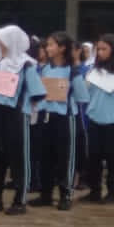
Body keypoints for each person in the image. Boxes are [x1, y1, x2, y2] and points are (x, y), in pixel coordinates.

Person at [0, 26, 44, 215]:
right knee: (0, 156)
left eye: (3, 41)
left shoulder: (27, 65)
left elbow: (38, 92)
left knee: (19, 158)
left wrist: (30, 111)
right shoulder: (0, 64)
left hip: (17, 114)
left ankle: (20, 200)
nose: (0, 45)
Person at [77, 34, 114, 204]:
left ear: (113, 50)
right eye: (98, 49)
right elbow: (85, 91)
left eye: (104, 49)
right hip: (94, 118)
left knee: (113, 159)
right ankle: (95, 190)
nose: (100, 52)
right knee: (93, 157)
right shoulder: (93, 70)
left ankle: (113, 192)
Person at [31, 32, 78, 210]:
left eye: (51, 45)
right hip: (45, 115)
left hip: (64, 117)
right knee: (45, 157)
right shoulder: (45, 69)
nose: (47, 48)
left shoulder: (71, 71)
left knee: (64, 157)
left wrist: (63, 92)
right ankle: (45, 194)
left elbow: (81, 95)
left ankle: (66, 194)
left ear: (62, 48)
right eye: (47, 45)